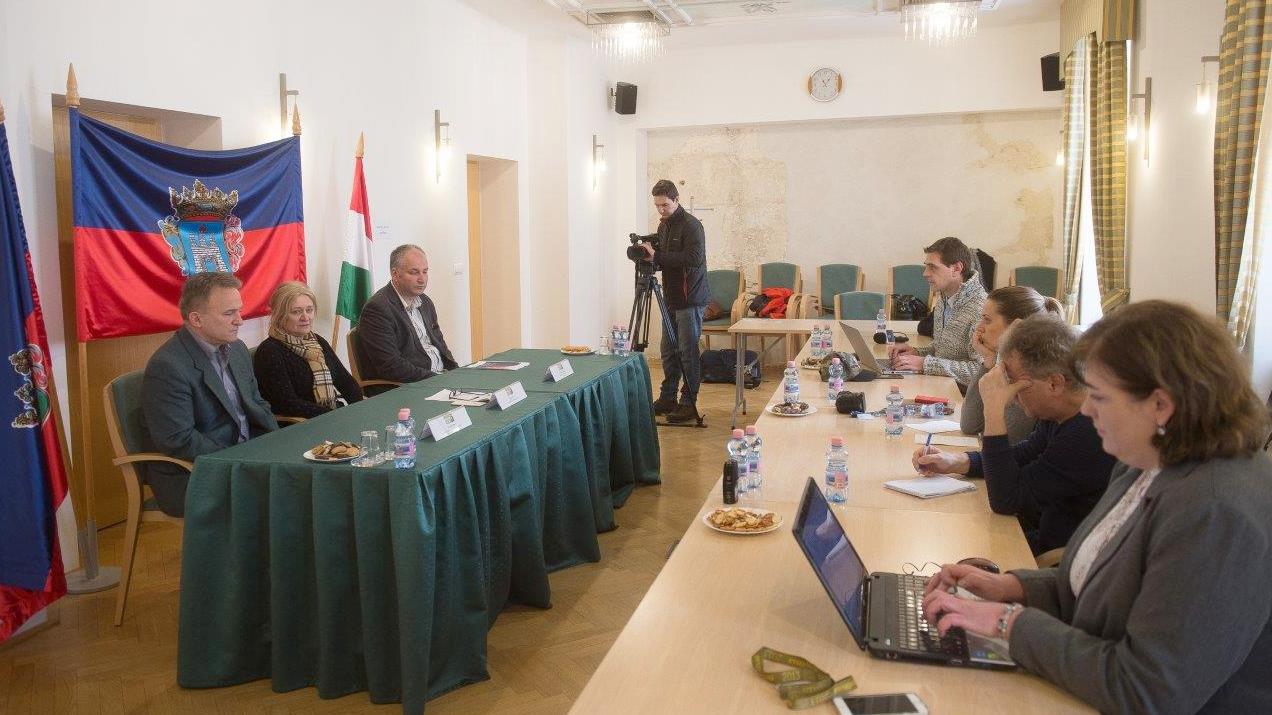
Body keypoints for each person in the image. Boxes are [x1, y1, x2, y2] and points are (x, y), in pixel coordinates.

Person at [921, 301, 1272, 713]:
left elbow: (1147, 690)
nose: (1087, 408)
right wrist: (1013, 588)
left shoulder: (1214, 510)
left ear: (1161, 406)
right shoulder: (1147, 460)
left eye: (1100, 396)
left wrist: (1008, 623)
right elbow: (1098, 585)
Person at [913, 315, 1114, 555]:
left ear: (1054, 384)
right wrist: (958, 461)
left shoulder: (1089, 433)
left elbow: (1006, 498)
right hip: (1037, 536)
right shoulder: (1062, 413)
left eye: (1013, 381)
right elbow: (1024, 454)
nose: (1010, 391)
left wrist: (993, 408)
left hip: (1052, 560)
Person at [142, 272, 278, 516]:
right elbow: (179, 440)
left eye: (239, 311)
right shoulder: (167, 366)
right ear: (196, 319)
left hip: (248, 455)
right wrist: (239, 459)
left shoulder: (236, 349)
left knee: (304, 475)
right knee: (281, 494)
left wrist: (278, 444)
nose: (240, 320)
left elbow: (257, 403)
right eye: (229, 313)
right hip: (195, 472)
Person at [636, 179, 708, 423]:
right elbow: (665, 260)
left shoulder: (692, 225)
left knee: (687, 353)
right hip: (670, 297)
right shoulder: (663, 226)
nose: (661, 210)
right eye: (657, 205)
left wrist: (658, 255)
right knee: (668, 351)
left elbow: (694, 258)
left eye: (665, 205)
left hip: (690, 298)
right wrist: (650, 258)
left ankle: (688, 402)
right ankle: (668, 398)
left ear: (676, 200)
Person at [960, 286, 1064, 444]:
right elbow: (970, 425)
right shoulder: (1005, 365)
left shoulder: (1031, 375)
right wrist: (988, 361)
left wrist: (994, 404)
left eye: (987, 320)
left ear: (1015, 327)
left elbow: (1007, 444)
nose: (979, 327)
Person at [253, 281, 363, 418]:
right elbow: (287, 405)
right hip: (300, 423)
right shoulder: (269, 351)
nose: (305, 317)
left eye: (309, 310)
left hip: (331, 415)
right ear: (280, 315)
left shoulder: (317, 340)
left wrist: (362, 408)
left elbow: (346, 381)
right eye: (296, 312)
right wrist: (334, 416)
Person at [356, 244, 457, 393]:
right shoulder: (377, 309)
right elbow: (391, 366)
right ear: (395, 274)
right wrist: (437, 379)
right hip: (405, 388)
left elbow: (440, 344)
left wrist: (457, 373)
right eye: (414, 272)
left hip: (437, 380)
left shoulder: (425, 302)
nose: (422, 279)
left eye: (425, 272)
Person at [889, 236, 986, 386]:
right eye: (926, 266)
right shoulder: (943, 299)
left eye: (933, 267)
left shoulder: (980, 309)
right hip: (942, 385)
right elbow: (943, 350)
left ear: (956, 269)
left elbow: (981, 371)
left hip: (961, 395)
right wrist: (917, 353)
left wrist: (925, 364)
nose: (925, 273)